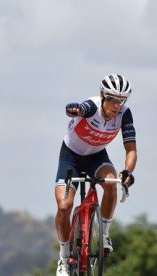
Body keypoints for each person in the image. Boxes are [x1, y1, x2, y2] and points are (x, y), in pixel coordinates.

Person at [54, 74, 137, 275]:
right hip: (71, 156)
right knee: (64, 206)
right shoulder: (92, 106)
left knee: (111, 183)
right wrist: (74, 109)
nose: (117, 105)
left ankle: (105, 234)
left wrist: (127, 172)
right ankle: (64, 257)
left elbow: (131, 149)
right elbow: (81, 108)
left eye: (121, 100)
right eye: (112, 99)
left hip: (96, 157)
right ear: (102, 95)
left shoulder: (124, 114)